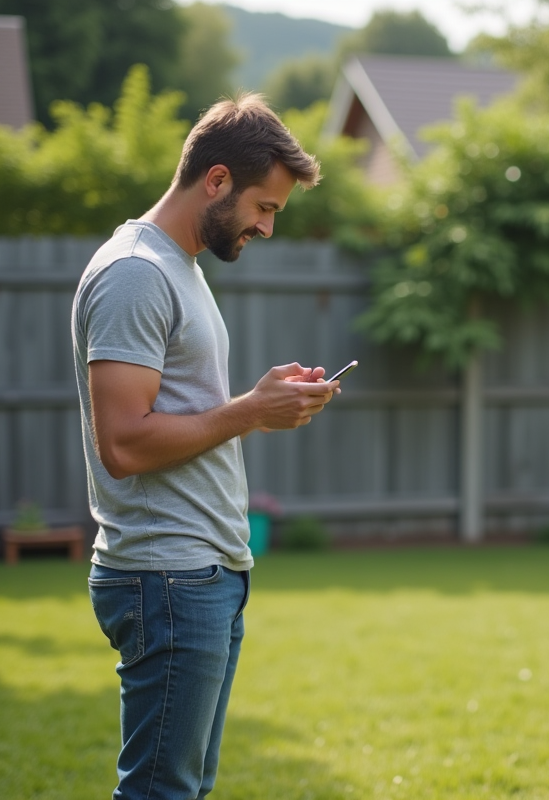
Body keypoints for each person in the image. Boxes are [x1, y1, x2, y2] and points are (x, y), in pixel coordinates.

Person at [71, 93, 337, 799]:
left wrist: (261, 400)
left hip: (205, 572)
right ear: (216, 180)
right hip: (167, 575)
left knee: (184, 788)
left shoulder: (179, 268)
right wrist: (249, 411)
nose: (268, 227)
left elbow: (186, 413)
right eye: (265, 207)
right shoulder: (136, 273)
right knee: (162, 791)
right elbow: (123, 444)